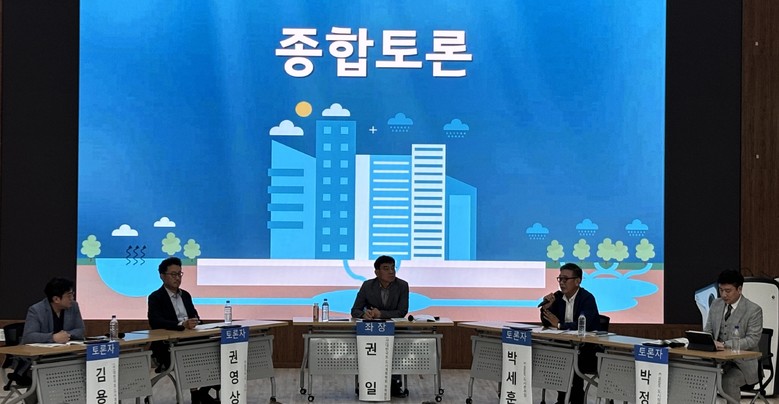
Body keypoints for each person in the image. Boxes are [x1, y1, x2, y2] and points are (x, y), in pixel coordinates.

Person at [148, 256, 217, 404]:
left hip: (192, 340)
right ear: (162, 276)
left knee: (216, 351)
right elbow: (155, 321)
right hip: (169, 345)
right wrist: (181, 325)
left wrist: (195, 322)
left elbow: (195, 315)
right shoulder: (156, 297)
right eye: (173, 274)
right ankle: (197, 394)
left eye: (179, 274)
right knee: (193, 357)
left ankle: (201, 392)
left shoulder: (185, 295)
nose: (177, 278)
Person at [539, 263, 600, 404]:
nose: (561, 282)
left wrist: (560, 325)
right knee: (560, 356)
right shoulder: (558, 297)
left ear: (577, 281)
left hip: (588, 350)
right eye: (560, 279)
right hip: (566, 347)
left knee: (570, 359)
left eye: (565, 279)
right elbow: (548, 322)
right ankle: (562, 399)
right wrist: (546, 308)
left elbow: (582, 325)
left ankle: (575, 399)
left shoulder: (587, 298)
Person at [350, 255, 410, 397]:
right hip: (371, 330)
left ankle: (394, 384)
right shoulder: (367, 286)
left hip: (395, 329)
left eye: (393, 268)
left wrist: (380, 314)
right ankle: (365, 382)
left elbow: (402, 312)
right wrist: (364, 314)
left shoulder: (402, 285)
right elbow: (355, 310)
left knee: (397, 347)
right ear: (377, 272)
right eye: (386, 268)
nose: (391, 271)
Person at [703, 269, 763, 402]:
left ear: (739, 289)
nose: (724, 294)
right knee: (697, 372)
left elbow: (752, 340)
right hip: (717, 361)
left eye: (728, 291)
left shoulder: (753, 310)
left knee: (728, 381)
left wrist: (724, 345)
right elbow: (708, 330)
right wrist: (707, 340)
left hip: (742, 365)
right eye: (721, 290)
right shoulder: (716, 304)